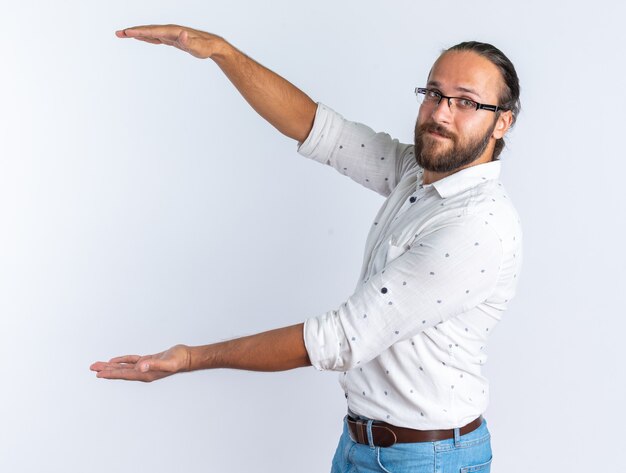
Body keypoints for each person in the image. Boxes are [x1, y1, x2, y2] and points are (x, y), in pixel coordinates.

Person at [90, 24, 523, 473]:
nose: (441, 114)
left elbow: (339, 339)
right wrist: (221, 52)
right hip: (362, 445)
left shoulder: (475, 226)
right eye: (434, 94)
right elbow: (322, 131)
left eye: (466, 102)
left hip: (429, 461)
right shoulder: (419, 174)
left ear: (502, 120)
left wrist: (191, 359)